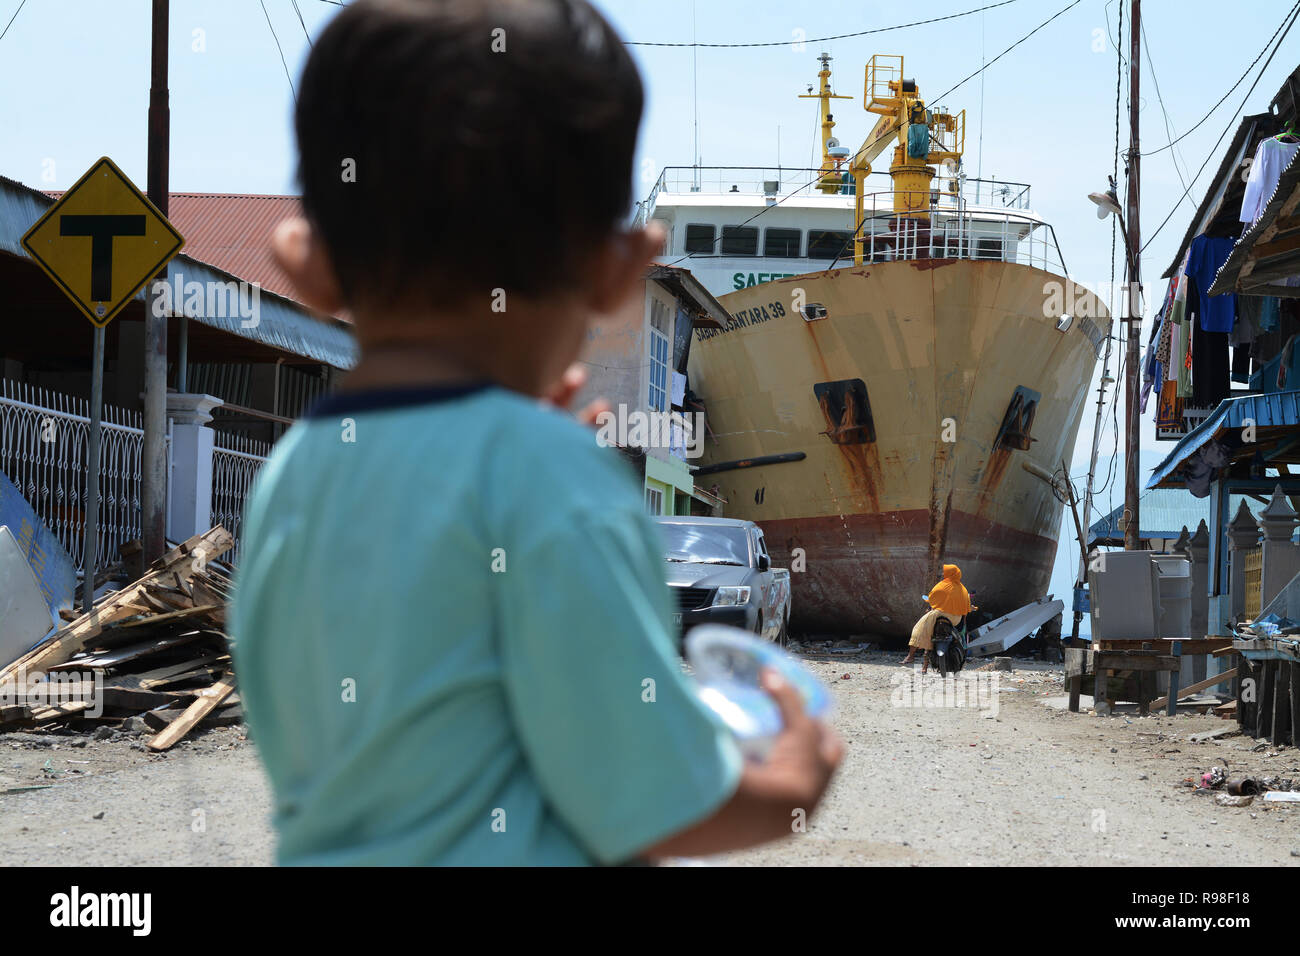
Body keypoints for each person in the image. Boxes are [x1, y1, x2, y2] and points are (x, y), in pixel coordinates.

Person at [230, 0, 841, 866]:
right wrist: (792, 785)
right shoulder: (555, 477)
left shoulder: (293, 471)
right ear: (620, 269)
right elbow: (652, 803)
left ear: (303, 261)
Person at [902, 564, 975, 673]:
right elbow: (967, 606)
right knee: (960, 635)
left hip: (940, 615)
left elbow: (932, 598)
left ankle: (910, 656)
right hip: (956, 619)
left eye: (946, 573)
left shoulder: (942, 585)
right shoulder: (963, 589)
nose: (943, 574)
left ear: (949, 574)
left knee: (920, 629)